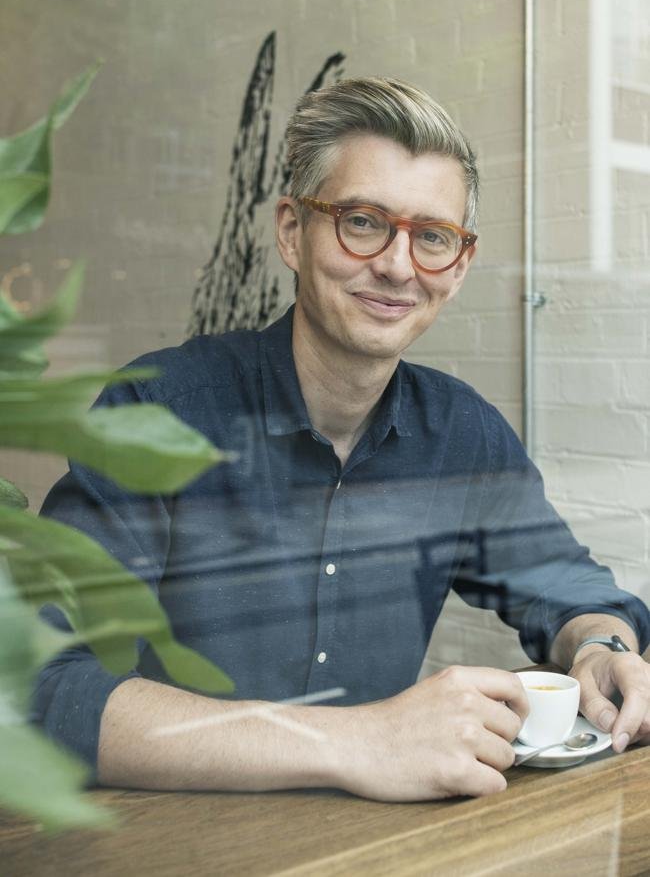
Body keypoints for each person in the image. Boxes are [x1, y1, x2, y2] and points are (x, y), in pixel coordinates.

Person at [35, 77, 650, 802]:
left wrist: (602, 646)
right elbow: (45, 690)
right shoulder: (156, 411)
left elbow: (569, 589)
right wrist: (360, 739)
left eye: (432, 237)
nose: (396, 265)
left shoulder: (462, 434)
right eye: (362, 221)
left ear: (459, 266)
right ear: (293, 231)